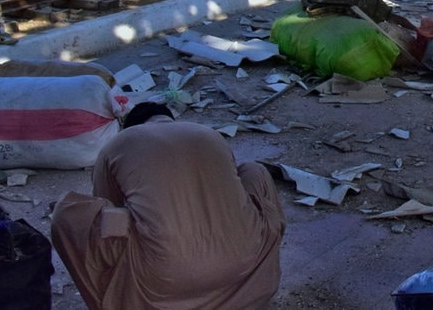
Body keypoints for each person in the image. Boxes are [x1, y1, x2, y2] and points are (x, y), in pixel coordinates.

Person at [50, 103, 285, 310]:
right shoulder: (209, 134)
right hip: (242, 260)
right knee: (254, 171)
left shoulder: (118, 143)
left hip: (164, 275)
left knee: (70, 213)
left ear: (131, 126)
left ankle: (124, 301)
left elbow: (107, 206)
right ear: (170, 119)